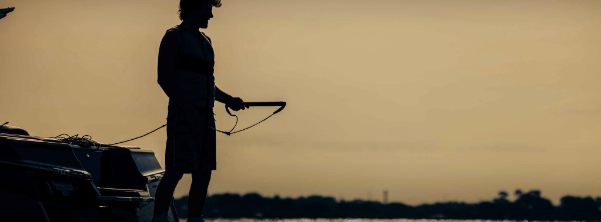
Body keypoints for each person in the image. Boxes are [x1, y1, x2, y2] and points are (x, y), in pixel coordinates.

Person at [154, 0, 245, 221]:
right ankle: (158, 218)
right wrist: (189, 111)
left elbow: (209, 84)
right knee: (175, 171)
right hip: (183, 116)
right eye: (207, 11)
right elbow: (164, 79)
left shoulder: (206, 42)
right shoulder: (173, 37)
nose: (210, 17)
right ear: (194, 9)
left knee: (203, 173)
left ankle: (195, 218)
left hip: (206, 116)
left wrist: (228, 99)